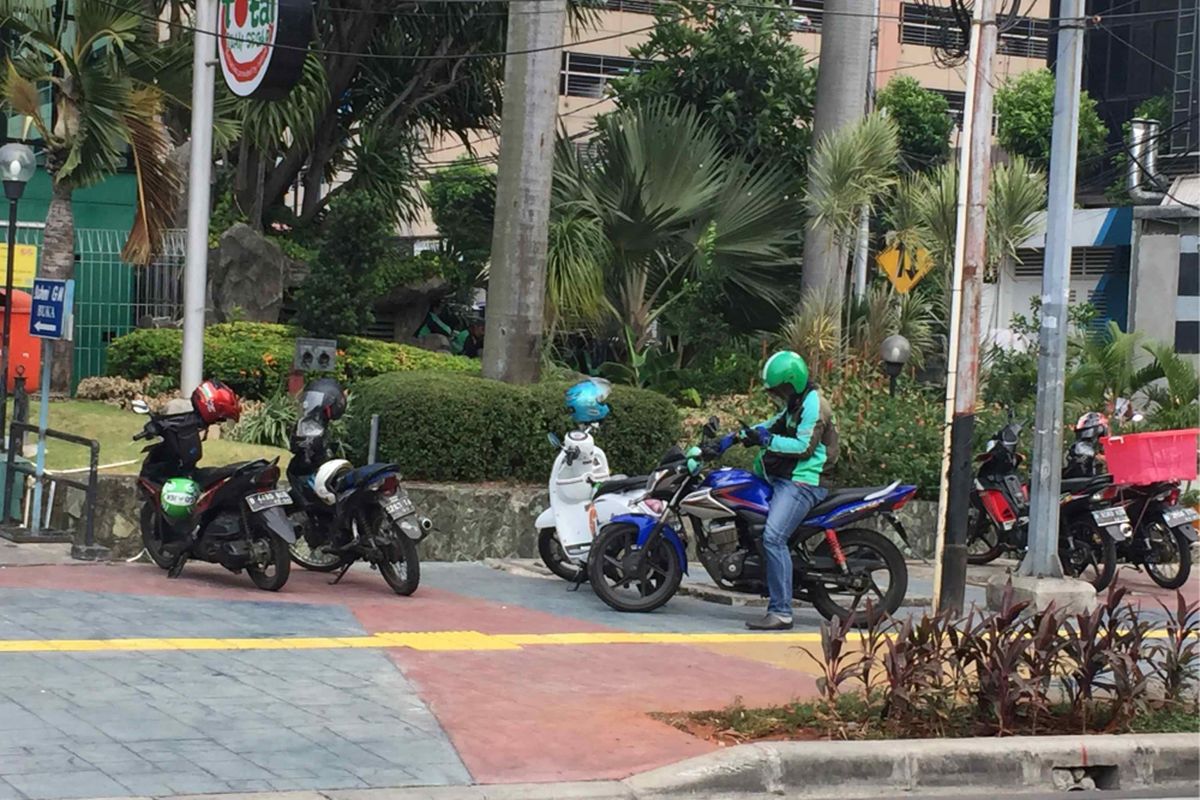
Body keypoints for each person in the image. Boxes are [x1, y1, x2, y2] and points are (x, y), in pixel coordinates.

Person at [715, 351, 838, 631]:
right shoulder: (796, 404)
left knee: (773, 537)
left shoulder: (814, 406)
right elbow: (770, 425)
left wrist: (767, 440)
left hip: (805, 482)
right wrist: (733, 438)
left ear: (792, 384)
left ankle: (781, 611)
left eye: (781, 390)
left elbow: (803, 447)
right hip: (785, 478)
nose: (779, 396)